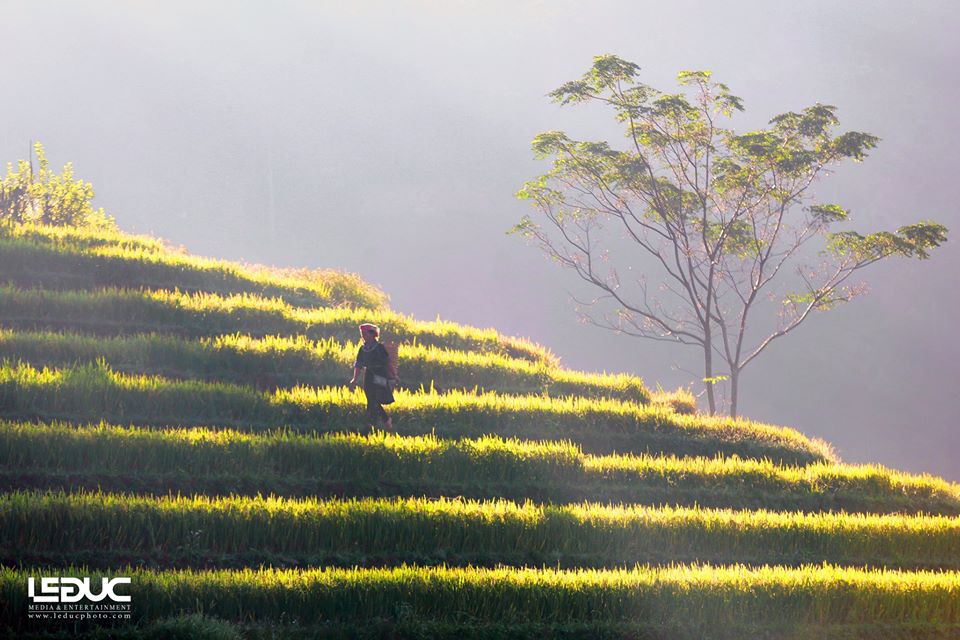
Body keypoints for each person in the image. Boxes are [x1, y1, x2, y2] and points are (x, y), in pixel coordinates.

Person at [348, 323, 396, 428]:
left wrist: (393, 376)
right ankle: (383, 420)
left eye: (365, 334)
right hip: (369, 375)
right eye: (362, 334)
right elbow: (358, 364)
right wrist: (354, 379)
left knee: (374, 399)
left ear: (372, 334)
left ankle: (373, 422)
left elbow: (388, 363)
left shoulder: (379, 348)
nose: (363, 336)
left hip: (380, 374)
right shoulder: (362, 349)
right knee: (370, 398)